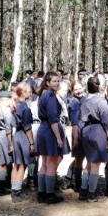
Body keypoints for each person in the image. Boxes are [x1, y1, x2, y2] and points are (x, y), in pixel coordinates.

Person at [36, 71, 70, 204]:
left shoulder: (45, 95)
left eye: (58, 81)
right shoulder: (50, 96)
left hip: (43, 130)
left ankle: (42, 193)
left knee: (44, 163)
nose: (57, 83)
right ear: (47, 82)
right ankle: (49, 195)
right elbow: (53, 120)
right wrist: (58, 138)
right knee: (50, 164)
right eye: (54, 81)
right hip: (50, 131)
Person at [78, 77, 108, 202]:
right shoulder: (101, 101)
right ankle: (92, 193)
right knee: (95, 163)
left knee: (89, 162)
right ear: (99, 86)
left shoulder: (84, 101)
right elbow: (106, 123)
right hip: (98, 130)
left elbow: (80, 117)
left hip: (86, 130)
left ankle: (83, 190)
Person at [10, 82, 36, 202]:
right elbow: (27, 128)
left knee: (16, 164)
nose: (31, 92)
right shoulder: (25, 108)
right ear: (23, 92)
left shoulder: (15, 105)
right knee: (23, 165)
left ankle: (14, 190)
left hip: (16, 135)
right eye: (29, 90)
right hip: (23, 136)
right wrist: (31, 143)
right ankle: (17, 193)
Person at [0, 91, 14, 196]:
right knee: (4, 162)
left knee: (3, 161)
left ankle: (2, 185)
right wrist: (11, 143)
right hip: (3, 135)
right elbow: (8, 128)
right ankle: (0, 188)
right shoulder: (6, 111)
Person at [67, 82, 85, 192]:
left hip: (85, 132)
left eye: (80, 88)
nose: (78, 91)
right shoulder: (74, 103)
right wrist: (76, 138)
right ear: (72, 91)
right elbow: (74, 123)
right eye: (76, 89)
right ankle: (77, 182)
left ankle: (69, 177)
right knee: (79, 158)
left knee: (81, 157)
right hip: (78, 132)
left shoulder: (85, 99)